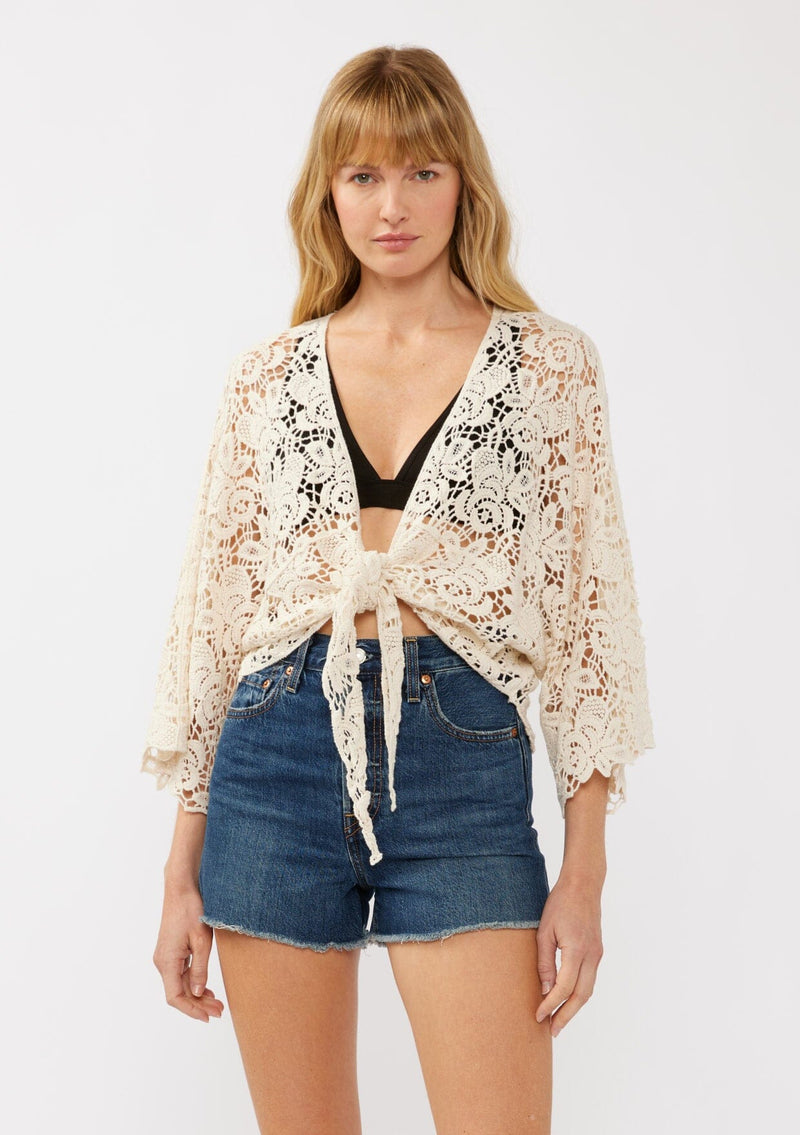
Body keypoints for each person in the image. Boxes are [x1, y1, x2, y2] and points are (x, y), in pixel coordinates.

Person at [142, 44, 655, 1135]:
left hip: (462, 760)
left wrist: (584, 875)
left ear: (463, 182)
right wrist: (180, 872)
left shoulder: (548, 367)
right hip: (274, 754)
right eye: (364, 174)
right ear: (327, 193)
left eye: (423, 171)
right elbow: (214, 623)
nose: (393, 205)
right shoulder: (266, 378)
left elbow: (589, 620)